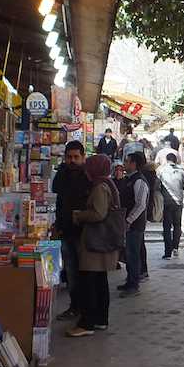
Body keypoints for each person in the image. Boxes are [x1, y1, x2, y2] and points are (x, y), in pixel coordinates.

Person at [65, 154, 121, 337]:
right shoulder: (108, 184)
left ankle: (87, 323)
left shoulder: (99, 187)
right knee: (99, 282)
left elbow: (98, 213)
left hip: (95, 242)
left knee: (89, 282)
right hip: (101, 243)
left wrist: (79, 215)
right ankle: (100, 319)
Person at [51, 141, 92, 321]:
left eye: (76, 157)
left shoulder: (89, 177)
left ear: (83, 157)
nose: (72, 160)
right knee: (71, 271)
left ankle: (86, 309)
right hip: (65, 230)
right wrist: (57, 225)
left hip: (84, 233)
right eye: (69, 157)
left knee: (85, 272)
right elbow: (57, 201)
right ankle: (75, 307)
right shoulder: (61, 175)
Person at [117, 151, 150, 296]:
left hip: (135, 225)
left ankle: (133, 285)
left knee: (133, 255)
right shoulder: (129, 179)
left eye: (127, 161)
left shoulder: (139, 181)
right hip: (128, 224)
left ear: (134, 164)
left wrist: (129, 220)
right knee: (129, 254)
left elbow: (140, 204)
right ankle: (129, 281)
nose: (125, 164)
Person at [158, 152, 184, 258]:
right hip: (178, 202)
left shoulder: (161, 171)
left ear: (167, 160)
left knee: (166, 227)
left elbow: (157, 186)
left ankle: (167, 253)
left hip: (166, 202)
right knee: (177, 226)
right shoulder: (181, 171)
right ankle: (175, 248)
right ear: (175, 160)